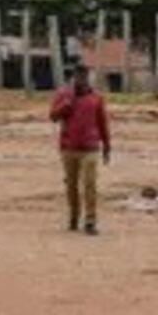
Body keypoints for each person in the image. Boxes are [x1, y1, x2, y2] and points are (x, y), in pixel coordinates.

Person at [48, 63, 111, 236]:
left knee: (90, 184)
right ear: (73, 76)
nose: (81, 79)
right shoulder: (63, 94)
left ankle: (90, 221)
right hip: (69, 148)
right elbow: (52, 117)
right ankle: (74, 217)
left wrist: (107, 146)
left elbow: (102, 122)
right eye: (78, 75)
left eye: (84, 76)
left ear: (88, 77)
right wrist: (65, 106)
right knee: (71, 185)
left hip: (90, 148)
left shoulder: (96, 97)